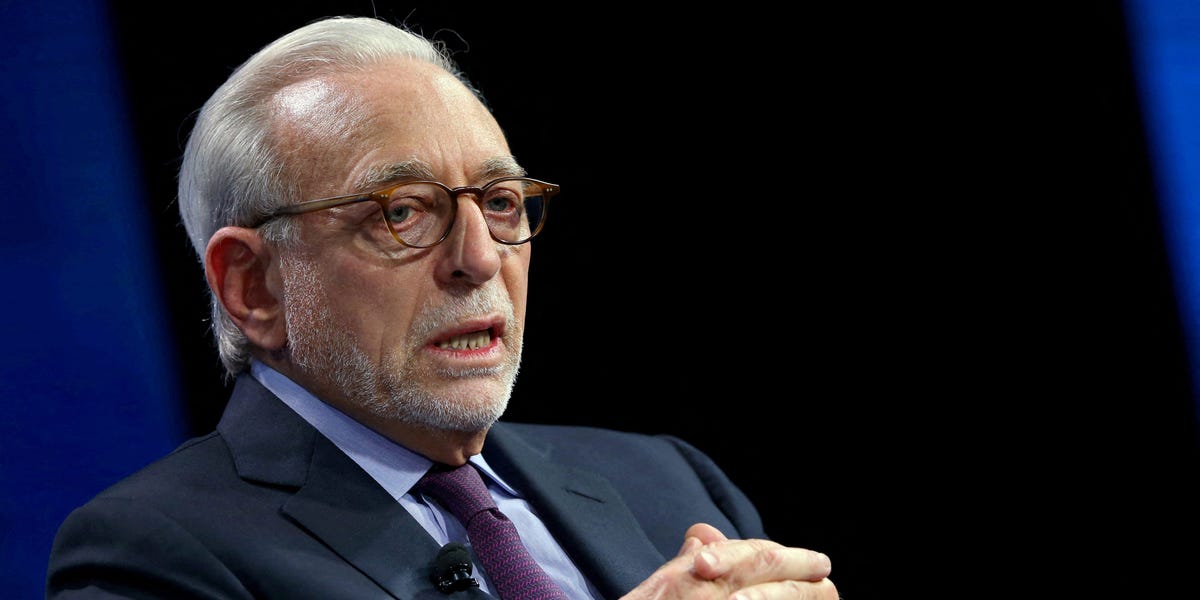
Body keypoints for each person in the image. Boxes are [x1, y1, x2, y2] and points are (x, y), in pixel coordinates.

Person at [46, 15, 839, 600]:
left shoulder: (668, 481)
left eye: (499, 202)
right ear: (253, 286)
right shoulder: (151, 555)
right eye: (402, 212)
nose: (480, 258)